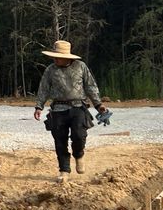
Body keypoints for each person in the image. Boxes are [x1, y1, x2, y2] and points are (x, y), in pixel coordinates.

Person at [33, 40, 108, 184]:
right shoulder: (50, 70)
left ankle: (79, 155)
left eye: (57, 56)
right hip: (58, 109)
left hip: (78, 106)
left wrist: (98, 105)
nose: (55, 59)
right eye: (54, 56)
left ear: (67, 57)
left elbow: (90, 86)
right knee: (60, 141)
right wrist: (39, 106)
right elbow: (43, 89)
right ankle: (64, 171)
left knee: (79, 135)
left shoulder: (81, 67)